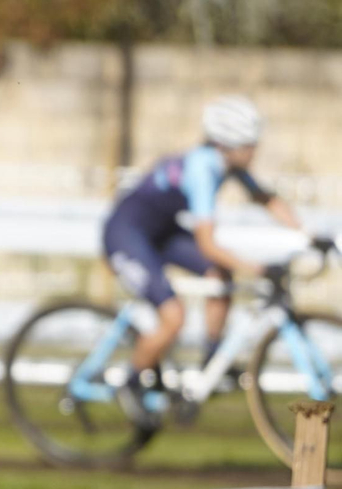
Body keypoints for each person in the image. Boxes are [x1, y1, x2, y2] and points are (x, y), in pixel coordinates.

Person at [102, 96, 306, 428]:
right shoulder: (202, 169)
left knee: (220, 275)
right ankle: (131, 380)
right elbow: (208, 245)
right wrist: (259, 268)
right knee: (173, 317)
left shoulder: (227, 163)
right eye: (250, 144)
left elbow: (264, 198)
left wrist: (306, 234)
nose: (255, 151)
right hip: (126, 234)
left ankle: (212, 360)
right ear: (228, 144)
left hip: (160, 234)